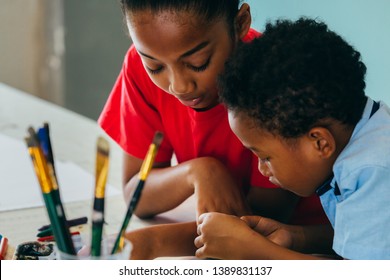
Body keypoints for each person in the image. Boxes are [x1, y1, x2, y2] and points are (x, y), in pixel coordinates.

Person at [98, 0, 331, 258]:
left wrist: (152, 243)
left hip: (319, 244)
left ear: (240, 24)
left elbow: (255, 225)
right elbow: (136, 195)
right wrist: (199, 172)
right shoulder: (137, 66)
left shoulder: (274, 79)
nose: (179, 86)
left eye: (198, 62)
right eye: (155, 66)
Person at [195, 17, 390, 260]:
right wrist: (295, 237)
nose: (261, 168)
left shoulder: (371, 170)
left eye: (265, 156)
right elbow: (368, 239)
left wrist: (257, 252)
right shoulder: (371, 127)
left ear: (319, 143)